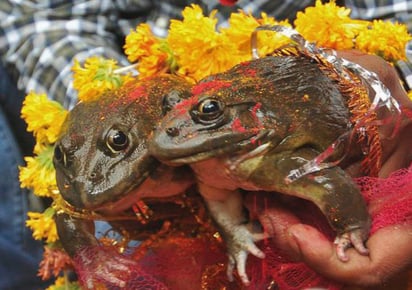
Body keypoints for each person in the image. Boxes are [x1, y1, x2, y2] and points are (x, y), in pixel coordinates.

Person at [0, 0, 411, 289]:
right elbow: (44, 20)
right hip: (142, 89)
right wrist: (106, 104)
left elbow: (398, 17)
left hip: (310, 84)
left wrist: (381, 86)